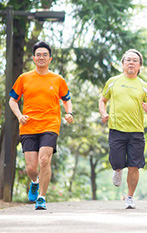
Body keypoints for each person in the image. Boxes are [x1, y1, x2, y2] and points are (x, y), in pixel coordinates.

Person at [9, 41, 74, 210]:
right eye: (38, 55)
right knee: (31, 167)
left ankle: (42, 198)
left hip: (50, 125)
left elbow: (67, 99)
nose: (41, 57)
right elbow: (12, 100)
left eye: (45, 54)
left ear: (50, 58)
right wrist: (19, 115)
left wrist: (69, 113)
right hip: (29, 125)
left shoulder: (58, 79)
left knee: (44, 160)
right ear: (33, 58)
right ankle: (34, 181)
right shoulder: (24, 78)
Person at [99, 49, 147, 209]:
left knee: (134, 165)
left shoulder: (144, 86)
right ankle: (117, 169)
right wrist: (103, 113)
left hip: (136, 131)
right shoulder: (113, 82)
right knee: (117, 161)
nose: (131, 63)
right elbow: (102, 100)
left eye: (135, 61)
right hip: (116, 129)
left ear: (139, 66)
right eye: (128, 60)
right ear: (123, 64)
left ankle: (130, 197)